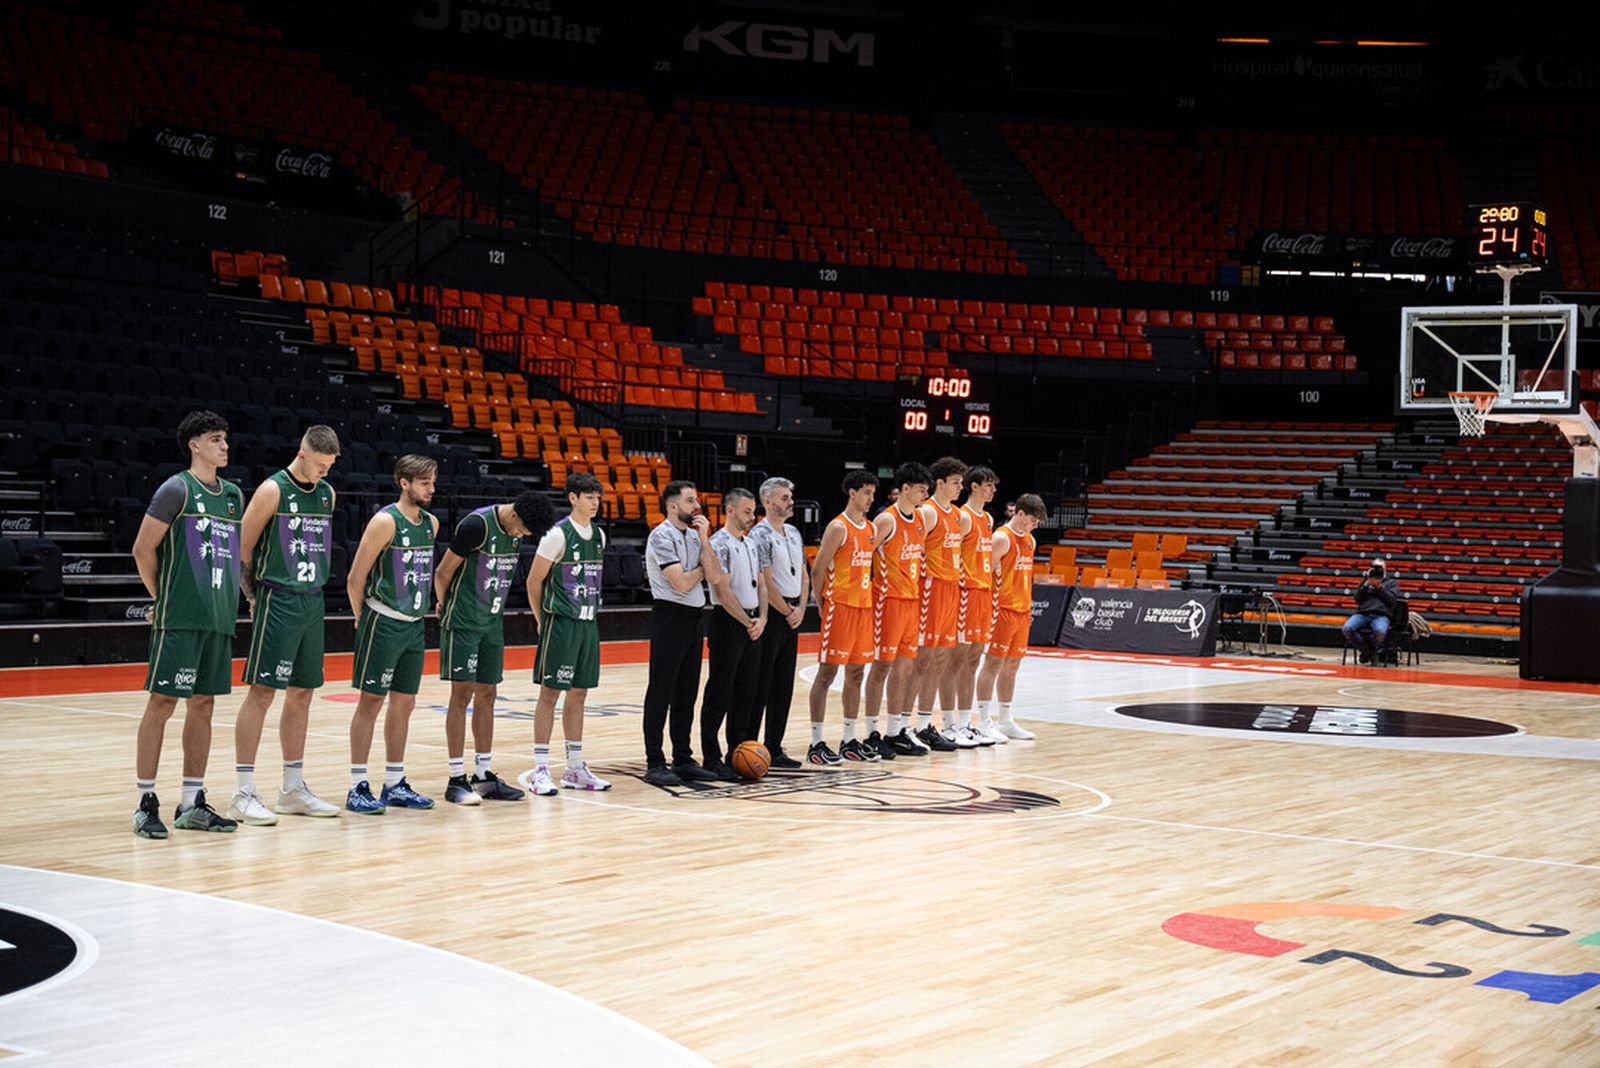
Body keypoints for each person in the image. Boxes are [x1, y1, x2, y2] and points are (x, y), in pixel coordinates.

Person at [131, 411, 244, 838]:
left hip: (217, 617)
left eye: (225, 438)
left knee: (204, 705)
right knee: (162, 704)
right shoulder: (175, 489)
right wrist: (163, 599)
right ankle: (145, 801)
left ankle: (191, 802)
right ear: (194, 445)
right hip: (179, 619)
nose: (225, 446)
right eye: (216, 439)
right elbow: (143, 550)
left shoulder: (233, 495)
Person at [231, 425, 343, 826]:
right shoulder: (271, 490)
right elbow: (242, 551)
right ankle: (243, 792)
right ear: (302, 453)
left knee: (303, 694)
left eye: (329, 467)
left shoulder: (327, 494)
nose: (324, 474)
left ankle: (292, 789)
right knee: (262, 693)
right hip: (276, 597)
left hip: (312, 600)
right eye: (319, 465)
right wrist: (251, 597)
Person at [433, 491, 557, 804]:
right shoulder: (477, 526)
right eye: (524, 531)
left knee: (488, 694)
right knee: (461, 695)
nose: (522, 536)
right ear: (514, 515)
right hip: (463, 621)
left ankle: (484, 775)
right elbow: (443, 571)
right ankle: (455, 778)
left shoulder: (513, 530)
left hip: (491, 622)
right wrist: (444, 605)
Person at [344, 454, 440, 814]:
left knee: (405, 703)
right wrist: (361, 618)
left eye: (433, 482)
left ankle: (395, 782)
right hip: (383, 620)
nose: (431, 488)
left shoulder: (431, 524)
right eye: (424, 482)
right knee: (371, 702)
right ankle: (356, 785)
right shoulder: (385, 522)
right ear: (404, 482)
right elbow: (356, 577)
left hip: (414, 625)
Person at [525, 472, 610, 795]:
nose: (595, 503)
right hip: (561, 622)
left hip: (589, 623)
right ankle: (540, 768)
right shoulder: (556, 535)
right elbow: (534, 582)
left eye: (597, 497)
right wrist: (540, 620)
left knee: (579, 694)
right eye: (589, 497)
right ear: (573, 498)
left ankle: (574, 768)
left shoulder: (599, 536)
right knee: (550, 694)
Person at [641, 480, 724, 786]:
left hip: (693, 619)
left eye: (696, 499)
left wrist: (705, 541)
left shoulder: (695, 536)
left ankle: (683, 757)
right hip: (669, 617)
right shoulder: (661, 536)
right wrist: (701, 569)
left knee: (687, 692)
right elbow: (681, 583)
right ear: (673, 505)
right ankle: (654, 761)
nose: (696, 506)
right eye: (690, 501)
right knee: (661, 691)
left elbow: (715, 576)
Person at [863, 462, 935, 758]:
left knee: (905, 668)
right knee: (881, 666)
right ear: (904, 489)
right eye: (921, 490)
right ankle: (870, 733)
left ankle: (895, 731)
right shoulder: (886, 520)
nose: (924, 496)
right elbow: (862, 554)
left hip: (911, 600)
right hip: (887, 600)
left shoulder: (919, 519)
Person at [806, 469, 879, 766]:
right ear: (852, 492)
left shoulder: (871, 528)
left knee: (856, 674)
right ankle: (816, 742)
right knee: (827, 673)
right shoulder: (839, 527)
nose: (871, 499)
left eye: (873, 494)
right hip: (841, 606)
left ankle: (849, 739)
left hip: (863, 607)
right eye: (866, 493)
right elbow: (817, 569)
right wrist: (823, 602)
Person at [915, 456, 984, 748]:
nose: (960, 487)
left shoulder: (957, 515)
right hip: (931, 590)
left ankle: (932, 725)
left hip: (952, 590)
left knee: (940, 660)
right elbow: (913, 549)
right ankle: (915, 724)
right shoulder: (927, 512)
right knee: (924, 660)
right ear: (939, 483)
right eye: (956, 482)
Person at [700, 488, 767, 780]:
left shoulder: (751, 544)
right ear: (729, 510)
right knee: (720, 691)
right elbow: (722, 590)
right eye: (746, 511)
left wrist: (762, 617)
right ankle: (711, 756)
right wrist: (746, 620)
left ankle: (737, 752)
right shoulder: (719, 543)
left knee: (746, 693)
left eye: (753, 511)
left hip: (754, 622)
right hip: (729, 623)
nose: (752, 516)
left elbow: (763, 584)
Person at [975, 493, 1047, 741]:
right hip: (1001, 609)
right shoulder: (1000, 538)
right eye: (1034, 520)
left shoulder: (1030, 540)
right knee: (993, 663)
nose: (1036, 525)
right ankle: (984, 720)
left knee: (1013, 665)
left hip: (1022, 610)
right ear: (1020, 514)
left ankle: (1005, 720)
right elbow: (984, 575)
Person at [750, 477, 808, 770]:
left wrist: (801, 608)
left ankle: (774, 746)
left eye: (790, 496)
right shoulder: (759, 534)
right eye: (784, 497)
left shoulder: (794, 532)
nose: (790, 501)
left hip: (792, 612)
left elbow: (804, 574)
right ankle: (749, 745)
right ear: (768, 501)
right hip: (774, 613)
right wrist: (786, 610)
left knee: (784, 684)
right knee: (762, 682)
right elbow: (766, 580)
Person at [954, 466, 1007, 743]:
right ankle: (953, 724)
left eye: (994, 486)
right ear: (973, 486)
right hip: (966, 593)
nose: (993, 490)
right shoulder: (962, 516)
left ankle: (967, 722)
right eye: (988, 485)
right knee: (957, 659)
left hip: (983, 593)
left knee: (973, 659)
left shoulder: (987, 518)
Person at [1342, 557, 1401, 665]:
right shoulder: (1365, 581)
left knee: (1380, 632)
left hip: (1381, 615)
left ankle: (1369, 651)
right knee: (1347, 628)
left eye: (1380, 568)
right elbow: (1357, 599)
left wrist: (1379, 587)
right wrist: (1365, 584)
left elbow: (1392, 601)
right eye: (1375, 567)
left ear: (1385, 569)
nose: (1377, 570)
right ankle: (1369, 652)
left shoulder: (1391, 582)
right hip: (1363, 613)